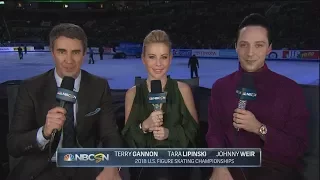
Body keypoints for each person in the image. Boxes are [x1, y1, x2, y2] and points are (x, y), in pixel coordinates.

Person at [7, 23, 123, 180]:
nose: (69, 60)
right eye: (62, 52)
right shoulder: (31, 88)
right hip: (41, 168)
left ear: (84, 54)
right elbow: (14, 145)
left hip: (84, 165)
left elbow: (110, 134)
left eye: (75, 52)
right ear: (52, 52)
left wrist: (112, 165)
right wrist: (44, 132)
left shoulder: (98, 86)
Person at [206, 13, 309, 180]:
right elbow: (214, 133)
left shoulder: (290, 90)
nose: (250, 53)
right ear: (236, 47)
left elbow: (297, 147)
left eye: (259, 45)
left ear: (269, 48)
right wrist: (219, 166)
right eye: (244, 45)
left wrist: (259, 129)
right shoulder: (221, 86)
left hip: (276, 169)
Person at [122, 30, 199, 180]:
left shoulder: (183, 90)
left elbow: (194, 133)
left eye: (163, 57)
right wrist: (143, 126)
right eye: (152, 57)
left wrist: (170, 133)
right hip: (143, 171)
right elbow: (128, 138)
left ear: (170, 59)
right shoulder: (132, 94)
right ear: (143, 59)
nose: (158, 64)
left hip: (177, 170)